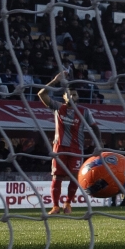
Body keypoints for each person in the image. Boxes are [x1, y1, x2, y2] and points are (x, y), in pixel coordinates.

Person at [37, 74, 98, 215]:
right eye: (69, 94)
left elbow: (95, 127)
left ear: (77, 97)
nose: (72, 97)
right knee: (57, 177)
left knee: (75, 177)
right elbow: (41, 94)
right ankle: (55, 207)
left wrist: (98, 143)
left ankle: (68, 203)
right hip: (59, 148)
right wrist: (55, 80)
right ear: (64, 96)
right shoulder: (58, 107)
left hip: (76, 149)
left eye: (74, 95)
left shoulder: (84, 111)